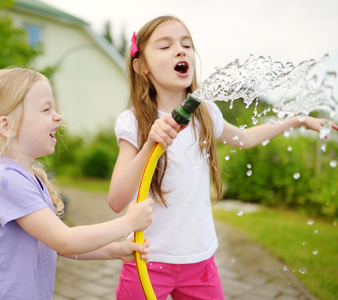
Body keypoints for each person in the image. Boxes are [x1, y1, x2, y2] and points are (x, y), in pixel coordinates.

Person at [108, 15, 338, 300]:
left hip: (200, 262)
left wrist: (296, 120)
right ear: (141, 66)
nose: (181, 50)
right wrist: (150, 144)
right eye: (165, 46)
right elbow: (117, 201)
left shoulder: (205, 114)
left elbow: (245, 138)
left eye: (187, 45)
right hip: (146, 259)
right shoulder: (133, 121)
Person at [0, 67, 154, 300]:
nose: (57, 116)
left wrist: (114, 250)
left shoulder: (28, 177)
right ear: (6, 126)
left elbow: (54, 243)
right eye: (46, 109)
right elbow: (65, 241)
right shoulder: (2, 178)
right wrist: (128, 222)